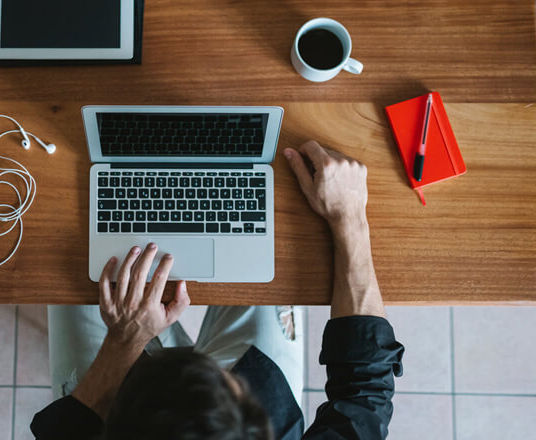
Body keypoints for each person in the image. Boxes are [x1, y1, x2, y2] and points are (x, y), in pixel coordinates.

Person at [31, 140, 405, 440]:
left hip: (115, 393)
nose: (212, 367)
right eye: (231, 388)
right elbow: (364, 396)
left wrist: (124, 340)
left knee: (75, 278)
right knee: (268, 272)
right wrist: (349, 215)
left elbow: (65, 429)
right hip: (229, 394)